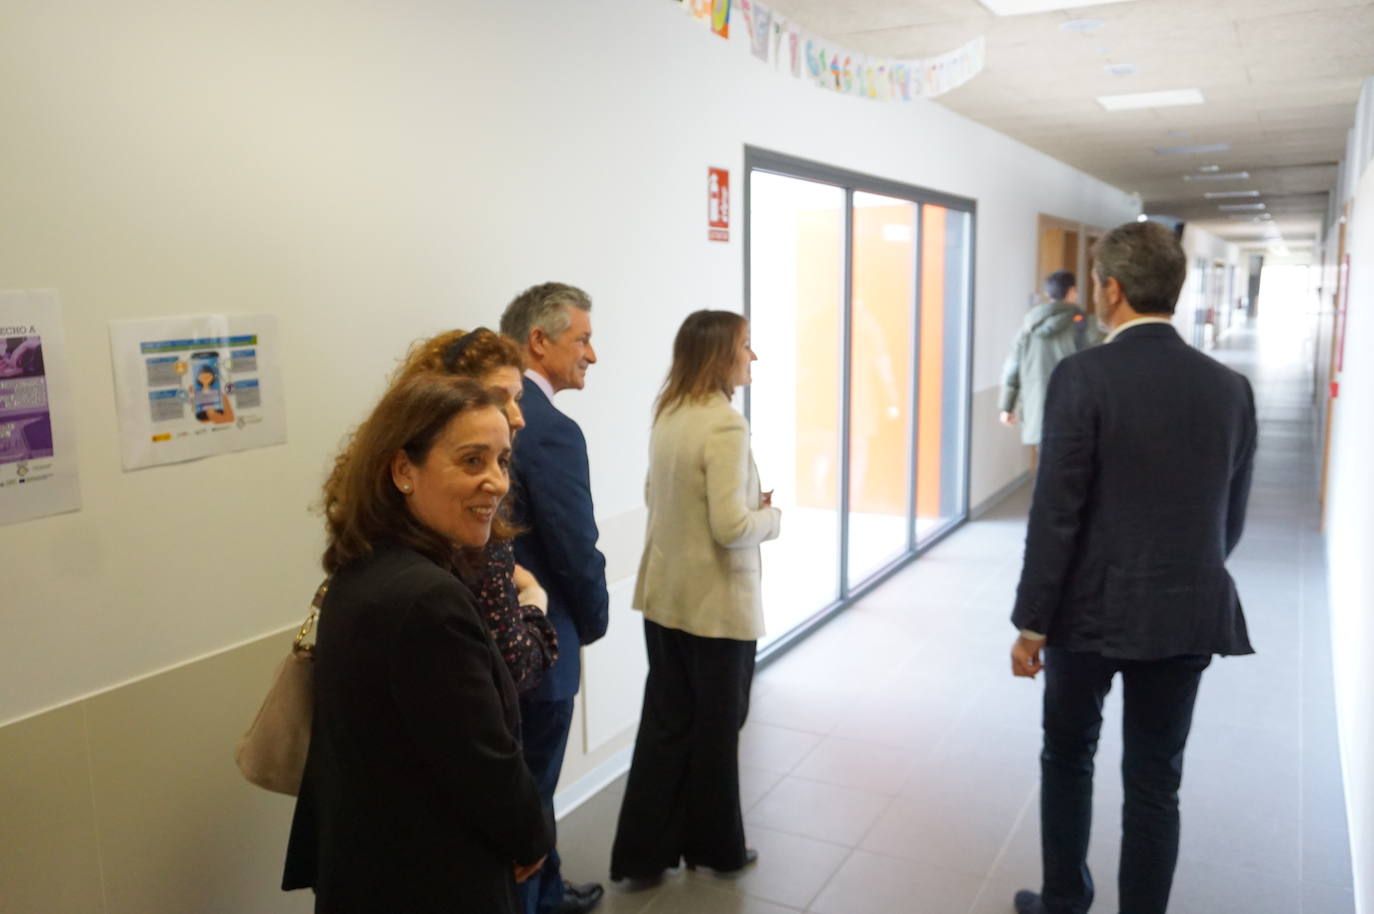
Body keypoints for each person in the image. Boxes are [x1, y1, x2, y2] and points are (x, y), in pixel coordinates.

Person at [1007, 221, 1258, 914]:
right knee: (1155, 782)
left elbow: (1056, 513)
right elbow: (1226, 521)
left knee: (1068, 757)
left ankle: (1064, 900)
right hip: (1186, 612)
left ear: (1111, 290)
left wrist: (1032, 623)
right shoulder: (1229, 387)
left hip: (1087, 615)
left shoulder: (1082, 377)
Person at [282, 374, 554, 912]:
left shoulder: (363, 566)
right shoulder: (427, 599)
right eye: (472, 460)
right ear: (404, 469)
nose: (496, 482)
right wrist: (530, 835)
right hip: (429, 879)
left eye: (502, 461)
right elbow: (482, 760)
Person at [609, 310, 780, 882]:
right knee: (717, 733)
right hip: (715, 611)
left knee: (666, 726)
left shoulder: (670, 413)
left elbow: (656, 495)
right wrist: (769, 515)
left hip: (664, 601)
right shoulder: (726, 425)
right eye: (746, 347)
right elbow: (731, 528)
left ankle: (641, 853)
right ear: (719, 356)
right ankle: (717, 848)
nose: (752, 358)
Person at [499, 282, 609, 914]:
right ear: (538, 341)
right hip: (541, 646)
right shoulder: (550, 431)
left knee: (524, 793)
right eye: (584, 339)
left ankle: (548, 889)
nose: (592, 355)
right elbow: (575, 548)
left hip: (499, 645)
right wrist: (591, 624)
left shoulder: (492, 416)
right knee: (532, 794)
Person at [392, 327, 558, 691]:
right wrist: (534, 598)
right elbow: (515, 666)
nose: (517, 417)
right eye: (500, 399)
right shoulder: (467, 533)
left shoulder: (391, 524)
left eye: (518, 398)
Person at [999, 270, 1103, 450]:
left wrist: (1006, 406)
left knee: (1046, 466)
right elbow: (1104, 364)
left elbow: (1012, 368)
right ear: (1072, 292)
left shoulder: (1027, 329)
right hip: (1075, 413)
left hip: (1037, 413)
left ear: (1048, 295)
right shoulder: (1086, 325)